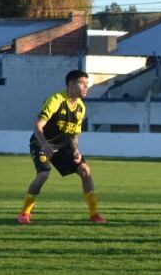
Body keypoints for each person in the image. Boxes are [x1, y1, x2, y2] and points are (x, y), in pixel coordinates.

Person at [19, 70, 103, 224]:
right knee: (43, 174)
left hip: (63, 146)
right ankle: (24, 213)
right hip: (41, 143)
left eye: (87, 84)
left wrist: (76, 150)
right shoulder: (56, 99)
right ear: (71, 83)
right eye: (83, 83)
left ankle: (94, 214)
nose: (86, 87)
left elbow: (74, 134)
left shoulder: (81, 108)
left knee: (85, 170)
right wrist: (45, 144)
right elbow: (38, 125)